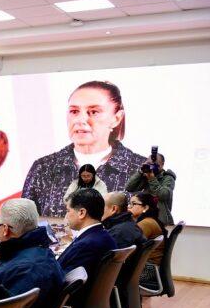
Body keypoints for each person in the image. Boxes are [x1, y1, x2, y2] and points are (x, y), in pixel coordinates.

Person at [22, 80, 148, 217]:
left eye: (93, 112)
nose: (80, 120)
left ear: (117, 118)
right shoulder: (44, 168)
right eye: (74, 111)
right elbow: (24, 221)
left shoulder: (141, 169)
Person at [57, 189, 117, 277]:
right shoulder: (104, 236)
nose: (66, 216)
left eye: (68, 211)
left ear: (82, 213)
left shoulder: (86, 245)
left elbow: (60, 280)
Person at [126, 152, 175, 226]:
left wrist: (152, 179)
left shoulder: (168, 178)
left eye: (155, 164)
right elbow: (129, 188)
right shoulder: (146, 175)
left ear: (162, 164)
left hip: (159, 219)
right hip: (145, 215)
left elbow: (163, 195)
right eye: (149, 163)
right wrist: (140, 172)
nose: (152, 167)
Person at [131, 192, 166, 265]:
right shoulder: (149, 220)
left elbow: (132, 248)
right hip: (149, 264)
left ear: (145, 208)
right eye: (129, 203)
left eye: (133, 204)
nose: (129, 206)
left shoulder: (146, 223)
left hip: (148, 266)